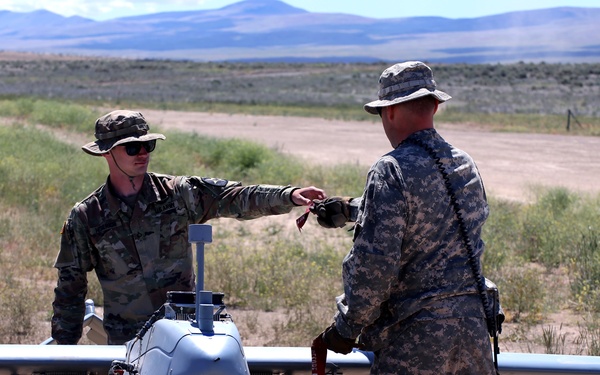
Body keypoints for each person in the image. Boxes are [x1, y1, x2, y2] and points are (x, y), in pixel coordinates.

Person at [51, 109, 327, 345]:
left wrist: (288, 195)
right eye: (133, 148)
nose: (143, 153)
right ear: (107, 154)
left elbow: (235, 197)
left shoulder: (178, 193)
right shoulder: (87, 216)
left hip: (184, 333)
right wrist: (64, 357)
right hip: (128, 342)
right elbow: (70, 291)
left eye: (148, 145)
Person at [312, 61, 496, 374]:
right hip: (473, 337)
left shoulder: (391, 168)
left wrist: (347, 327)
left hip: (415, 341)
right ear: (435, 107)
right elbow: (434, 217)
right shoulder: (464, 164)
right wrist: (354, 208)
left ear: (391, 111)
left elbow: (376, 264)